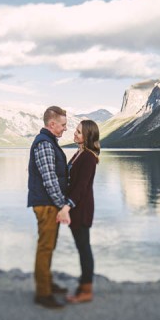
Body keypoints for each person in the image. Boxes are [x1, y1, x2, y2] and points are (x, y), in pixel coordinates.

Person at [27, 106, 74, 309]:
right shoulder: (45, 144)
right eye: (63, 125)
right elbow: (49, 179)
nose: (65, 129)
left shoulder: (49, 142)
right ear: (52, 124)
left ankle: (47, 284)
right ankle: (43, 293)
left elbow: (56, 173)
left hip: (48, 203)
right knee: (45, 247)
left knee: (48, 246)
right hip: (46, 205)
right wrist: (61, 204)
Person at [65, 120, 100, 303]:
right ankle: (83, 286)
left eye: (79, 132)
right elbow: (70, 179)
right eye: (76, 130)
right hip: (76, 209)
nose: (75, 133)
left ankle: (86, 290)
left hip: (81, 209)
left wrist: (66, 206)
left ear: (87, 136)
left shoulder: (87, 157)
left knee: (84, 249)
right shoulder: (79, 154)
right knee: (82, 248)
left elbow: (81, 187)